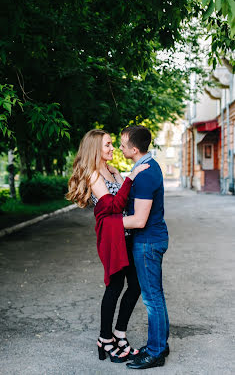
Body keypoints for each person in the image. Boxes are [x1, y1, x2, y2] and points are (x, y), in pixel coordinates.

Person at [66, 129, 150, 364]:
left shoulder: (111, 172)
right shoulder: (94, 175)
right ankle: (105, 338)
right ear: (96, 149)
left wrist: (125, 178)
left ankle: (119, 335)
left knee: (135, 285)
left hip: (126, 234)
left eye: (112, 144)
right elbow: (113, 206)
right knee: (114, 287)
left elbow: (128, 199)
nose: (113, 148)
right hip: (111, 238)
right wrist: (131, 177)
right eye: (108, 145)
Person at [119, 125, 169, 370]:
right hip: (150, 240)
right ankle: (160, 344)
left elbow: (139, 220)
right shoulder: (144, 167)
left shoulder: (147, 173)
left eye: (122, 144)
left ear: (134, 148)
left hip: (148, 242)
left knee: (152, 299)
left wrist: (108, 224)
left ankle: (156, 352)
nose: (119, 147)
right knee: (155, 296)